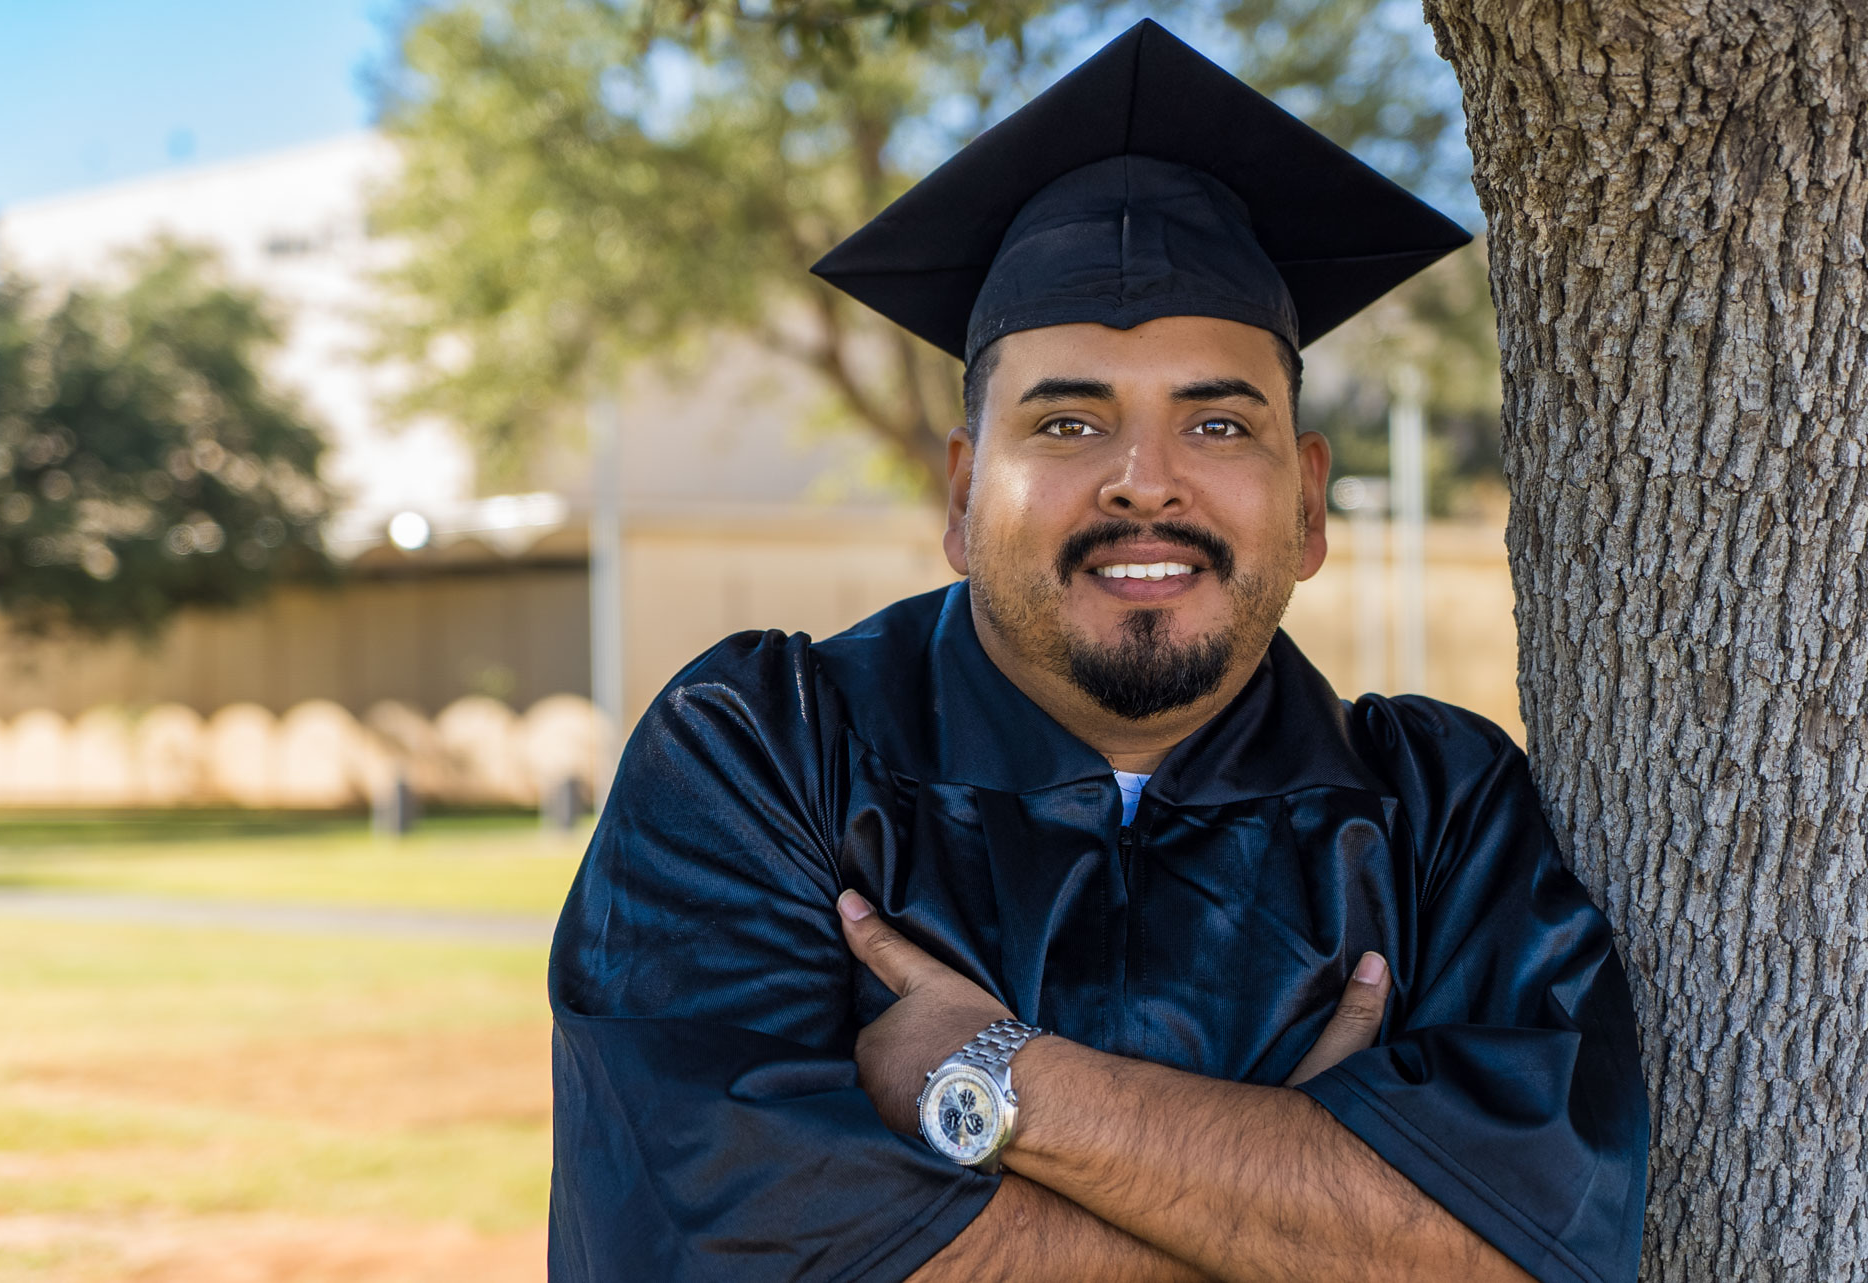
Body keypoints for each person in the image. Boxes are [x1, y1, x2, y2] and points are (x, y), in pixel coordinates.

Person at [548, 20, 1648, 1283]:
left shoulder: (1438, 813)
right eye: (1068, 419)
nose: (1145, 483)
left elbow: (1535, 1249)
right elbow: (721, 1241)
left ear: (1306, 503)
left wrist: (990, 1077)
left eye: (1218, 423)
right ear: (962, 497)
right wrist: (1300, 1215)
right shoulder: (767, 752)